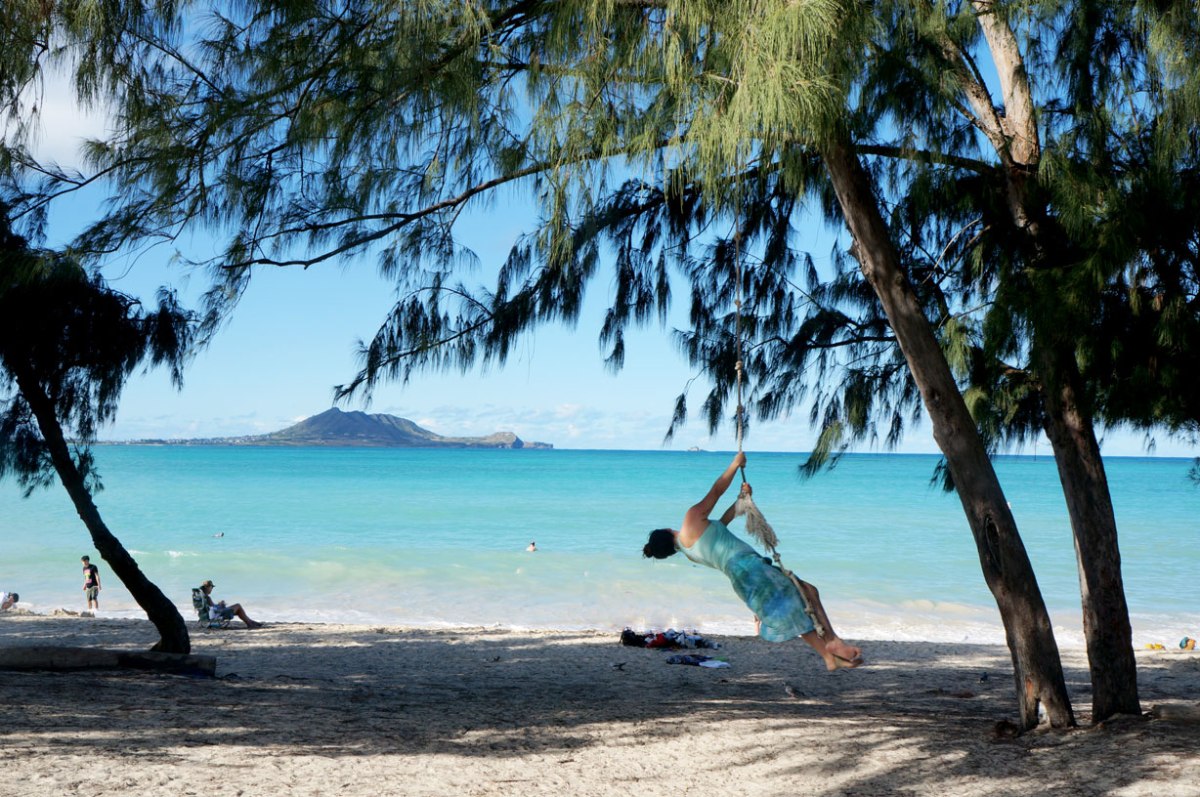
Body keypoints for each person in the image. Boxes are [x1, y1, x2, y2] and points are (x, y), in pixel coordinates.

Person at [643, 452, 863, 671]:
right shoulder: (690, 520)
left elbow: (720, 526)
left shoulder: (690, 551)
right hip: (750, 569)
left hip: (741, 577)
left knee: (798, 602)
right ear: (665, 530)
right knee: (804, 596)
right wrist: (734, 464)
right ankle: (833, 643)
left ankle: (828, 656)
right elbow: (716, 490)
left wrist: (742, 500)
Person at [197, 580, 262, 628]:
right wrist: (220, 605)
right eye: (212, 587)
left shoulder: (201, 597)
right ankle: (250, 623)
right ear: (208, 587)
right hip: (216, 616)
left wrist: (218, 605)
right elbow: (214, 610)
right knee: (238, 606)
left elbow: (210, 609)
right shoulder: (207, 598)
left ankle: (250, 622)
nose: (212, 589)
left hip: (211, 616)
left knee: (238, 610)